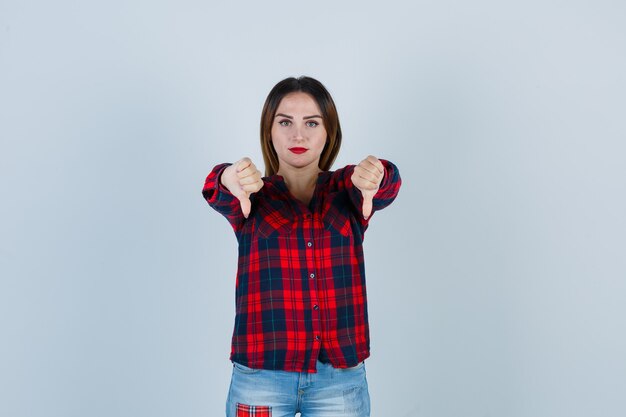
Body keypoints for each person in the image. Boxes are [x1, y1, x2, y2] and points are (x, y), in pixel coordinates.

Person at [202, 76, 401, 417]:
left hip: (339, 379)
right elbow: (217, 188)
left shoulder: (347, 189)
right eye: (285, 122)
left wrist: (378, 174)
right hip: (261, 376)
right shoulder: (250, 196)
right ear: (269, 131)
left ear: (329, 132)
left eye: (312, 122)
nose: (298, 135)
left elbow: (384, 184)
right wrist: (228, 178)